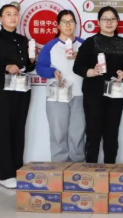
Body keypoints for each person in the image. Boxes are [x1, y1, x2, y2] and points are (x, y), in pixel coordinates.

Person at [0, 4, 36, 188]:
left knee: (19, 129)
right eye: (8, 14)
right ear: (0, 18)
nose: (13, 17)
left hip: (22, 89)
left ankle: (17, 170)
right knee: (4, 130)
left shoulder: (23, 40)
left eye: (15, 14)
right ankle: (5, 175)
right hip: (3, 91)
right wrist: (6, 67)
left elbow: (27, 67)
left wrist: (31, 61)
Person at [73, 6, 123, 163]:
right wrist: (92, 71)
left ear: (117, 21)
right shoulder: (90, 42)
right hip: (93, 94)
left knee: (112, 133)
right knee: (93, 132)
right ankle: (91, 170)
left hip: (116, 94)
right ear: (99, 22)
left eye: (112, 19)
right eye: (105, 19)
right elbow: (77, 67)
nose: (109, 22)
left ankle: (110, 168)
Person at [36, 10, 86, 162]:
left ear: (75, 24)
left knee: (78, 133)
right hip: (57, 96)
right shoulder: (50, 46)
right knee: (58, 134)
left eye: (71, 22)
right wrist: (53, 72)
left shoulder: (83, 44)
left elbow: (93, 64)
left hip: (80, 95)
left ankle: (77, 167)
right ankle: (59, 167)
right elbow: (40, 67)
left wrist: (80, 56)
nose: (68, 25)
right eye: (64, 22)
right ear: (58, 25)